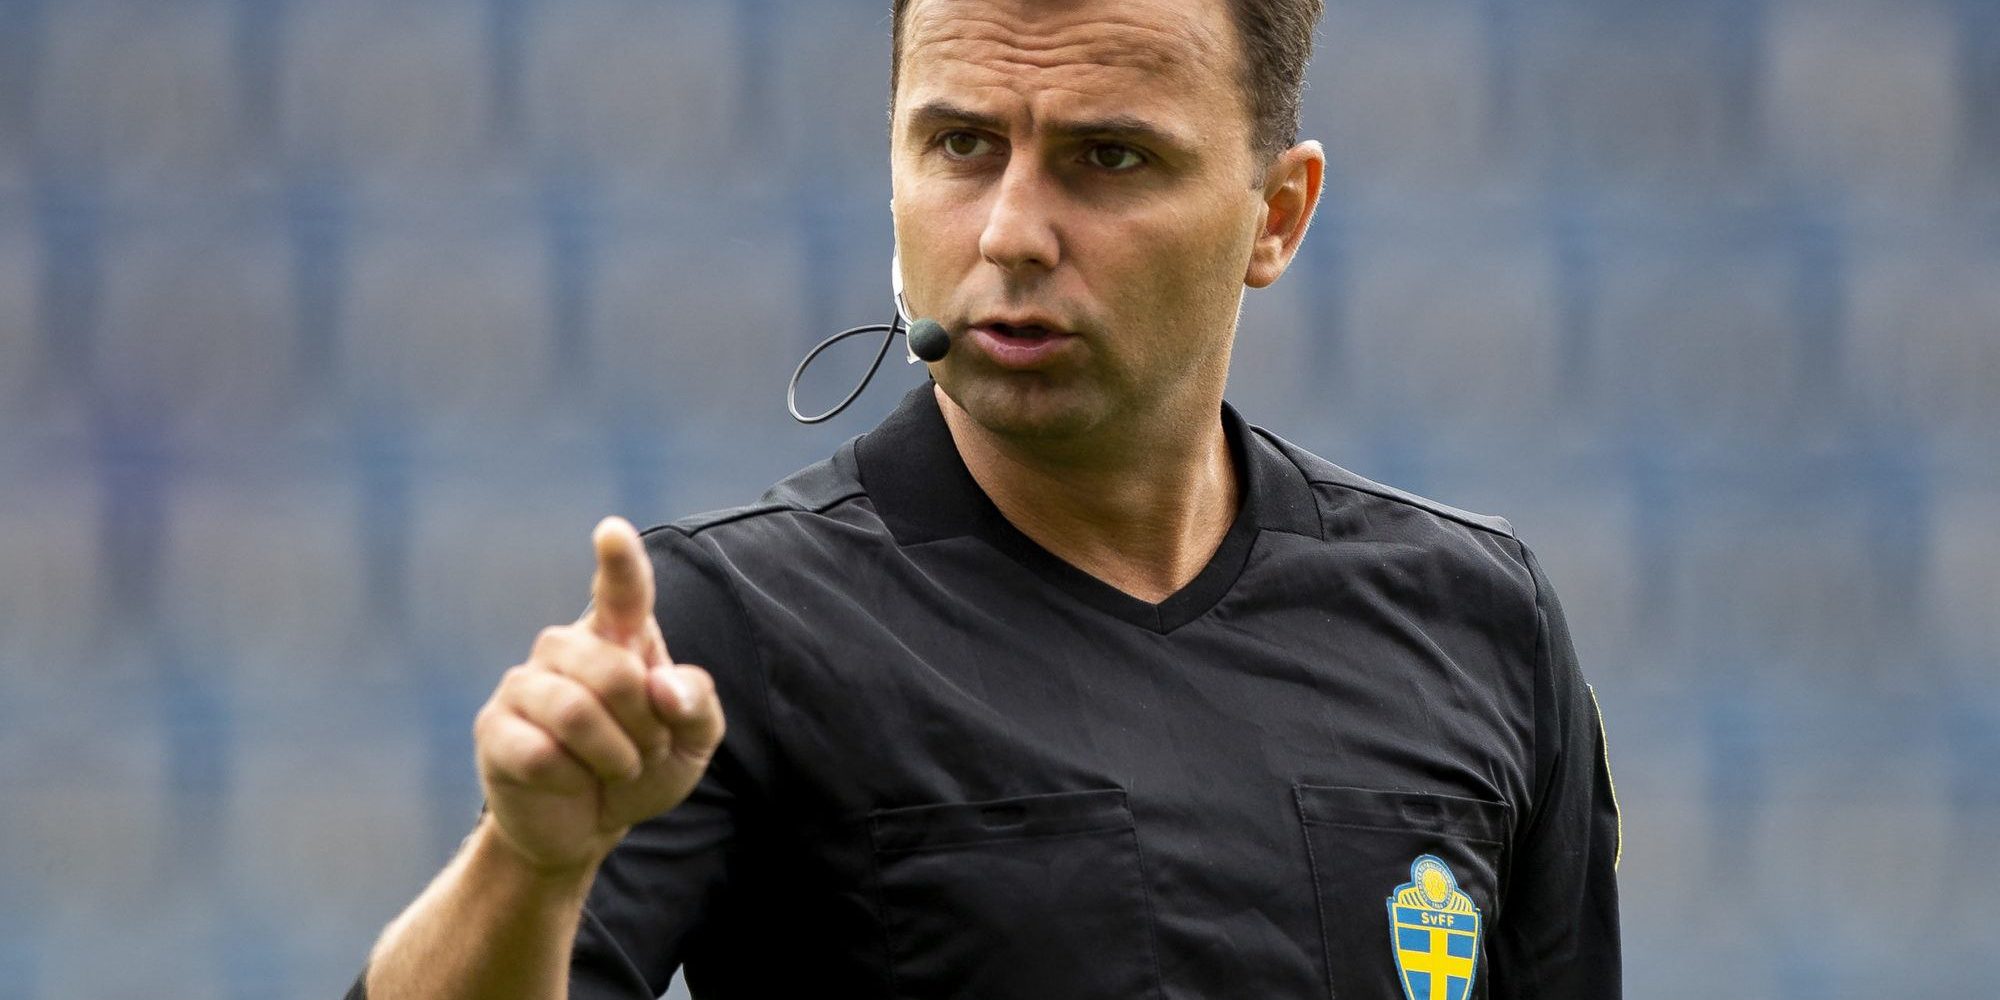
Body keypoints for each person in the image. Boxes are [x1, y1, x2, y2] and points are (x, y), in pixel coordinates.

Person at [348, 0, 1622, 996]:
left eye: (1107, 158)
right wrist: (529, 863)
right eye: (960, 145)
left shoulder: (1476, 621)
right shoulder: (729, 634)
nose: (1011, 229)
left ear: (1274, 215)